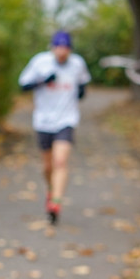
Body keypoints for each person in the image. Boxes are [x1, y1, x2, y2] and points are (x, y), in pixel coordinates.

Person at [18, 30, 91, 224]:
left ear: (70, 50)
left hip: (66, 119)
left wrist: (78, 93)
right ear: (52, 48)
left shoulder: (77, 64)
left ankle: (56, 203)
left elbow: (83, 85)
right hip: (43, 120)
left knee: (60, 161)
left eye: (66, 48)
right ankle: (51, 190)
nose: (62, 52)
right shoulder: (40, 62)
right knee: (48, 165)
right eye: (58, 48)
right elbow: (22, 85)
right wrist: (43, 81)